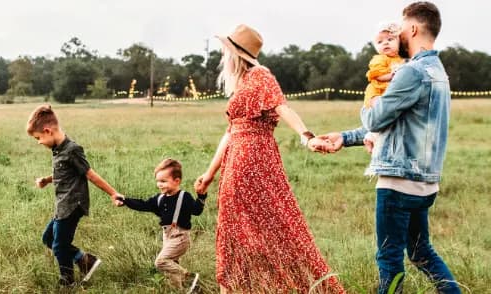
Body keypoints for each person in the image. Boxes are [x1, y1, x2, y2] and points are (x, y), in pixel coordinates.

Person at [311, 2, 462, 293]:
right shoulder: (438, 72)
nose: (397, 34)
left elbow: (376, 118)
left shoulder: (412, 73)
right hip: (426, 182)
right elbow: (396, 123)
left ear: (414, 29)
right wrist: (346, 137)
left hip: (398, 183)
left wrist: (369, 100)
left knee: (389, 259)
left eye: (401, 28)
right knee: (421, 253)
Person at [194, 24, 345, 293]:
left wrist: (306, 136)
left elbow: (282, 107)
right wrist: (209, 174)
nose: (222, 57)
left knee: (272, 225)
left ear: (236, 54)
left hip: (255, 160)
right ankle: (236, 287)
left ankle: (276, 285)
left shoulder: (260, 75)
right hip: (235, 161)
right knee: (234, 228)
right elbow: (230, 132)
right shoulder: (241, 84)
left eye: (225, 52)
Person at [27, 104, 122, 287]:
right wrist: (47, 180)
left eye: (38, 138)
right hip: (62, 205)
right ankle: (85, 260)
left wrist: (113, 193)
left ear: (47, 131)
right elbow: (65, 174)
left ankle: (67, 282)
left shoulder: (72, 150)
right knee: (48, 238)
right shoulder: (58, 150)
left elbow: (90, 174)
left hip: (72, 205)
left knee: (59, 245)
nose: (39, 142)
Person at [115, 158, 204, 291]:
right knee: (172, 266)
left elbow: (196, 211)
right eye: (158, 181)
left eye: (163, 181)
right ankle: (180, 290)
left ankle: (189, 277)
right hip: (167, 236)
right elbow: (143, 205)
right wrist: (126, 201)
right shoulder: (160, 199)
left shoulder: (184, 197)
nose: (159, 184)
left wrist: (201, 196)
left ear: (177, 181)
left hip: (180, 237)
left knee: (161, 262)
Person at [363, 21, 406, 154]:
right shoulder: (379, 59)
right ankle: (372, 137)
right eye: (380, 42)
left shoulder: (402, 59)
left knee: (390, 120)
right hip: (377, 91)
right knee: (380, 111)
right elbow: (377, 75)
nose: (385, 43)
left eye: (390, 39)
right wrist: (392, 75)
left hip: (390, 93)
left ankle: (371, 137)